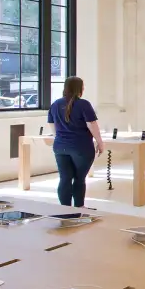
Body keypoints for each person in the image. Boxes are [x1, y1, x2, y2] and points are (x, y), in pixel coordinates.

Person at [47, 76, 104, 208]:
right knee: (79, 179)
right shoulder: (83, 104)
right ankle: (79, 207)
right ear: (80, 88)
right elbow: (91, 124)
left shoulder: (55, 104)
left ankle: (64, 210)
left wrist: (62, 137)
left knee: (65, 178)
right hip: (81, 147)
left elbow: (51, 124)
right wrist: (100, 142)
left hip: (60, 146)